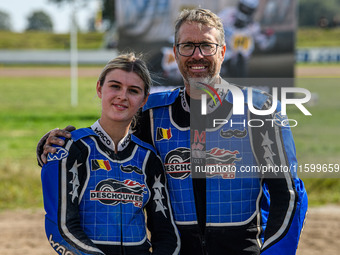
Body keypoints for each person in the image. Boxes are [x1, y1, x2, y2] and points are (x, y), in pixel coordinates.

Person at [37, 8, 307, 255]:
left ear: (223, 51)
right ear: (175, 53)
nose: (197, 55)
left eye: (206, 46)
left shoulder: (261, 110)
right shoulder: (153, 113)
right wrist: (52, 146)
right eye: (188, 46)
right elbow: (109, 147)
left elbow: (289, 196)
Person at [40, 53, 180, 255]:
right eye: (115, 86)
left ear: (144, 100)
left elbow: (166, 234)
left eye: (133, 91)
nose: (122, 96)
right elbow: (61, 229)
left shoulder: (149, 158)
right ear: (99, 88)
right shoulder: (70, 149)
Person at [218, 0, 276, 77]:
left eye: (248, 9)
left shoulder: (253, 27)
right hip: (223, 55)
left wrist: (269, 36)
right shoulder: (227, 14)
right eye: (244, 8)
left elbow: (264, 44)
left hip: (241, 62)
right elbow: (212, 25)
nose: (245, 11)